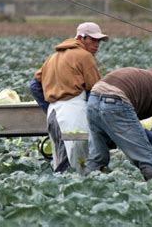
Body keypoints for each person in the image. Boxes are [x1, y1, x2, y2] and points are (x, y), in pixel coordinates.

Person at [85, 58, 152, 181]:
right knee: (147, 160)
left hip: (93, 100)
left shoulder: (147, 77)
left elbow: (133, 129)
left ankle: (85, 183)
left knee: (97, 157)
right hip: (115, 101)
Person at [29, 22, 109, 173]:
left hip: (53, 115)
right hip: (74, 115)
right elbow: (96, 90)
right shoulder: (85, 56)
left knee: (60, 158)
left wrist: (50, 106)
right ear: (81, 37)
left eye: (99, 41)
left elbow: (34, 86)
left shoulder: (52, 57)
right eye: (93, 40)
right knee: (75, 162)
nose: (97, 44)